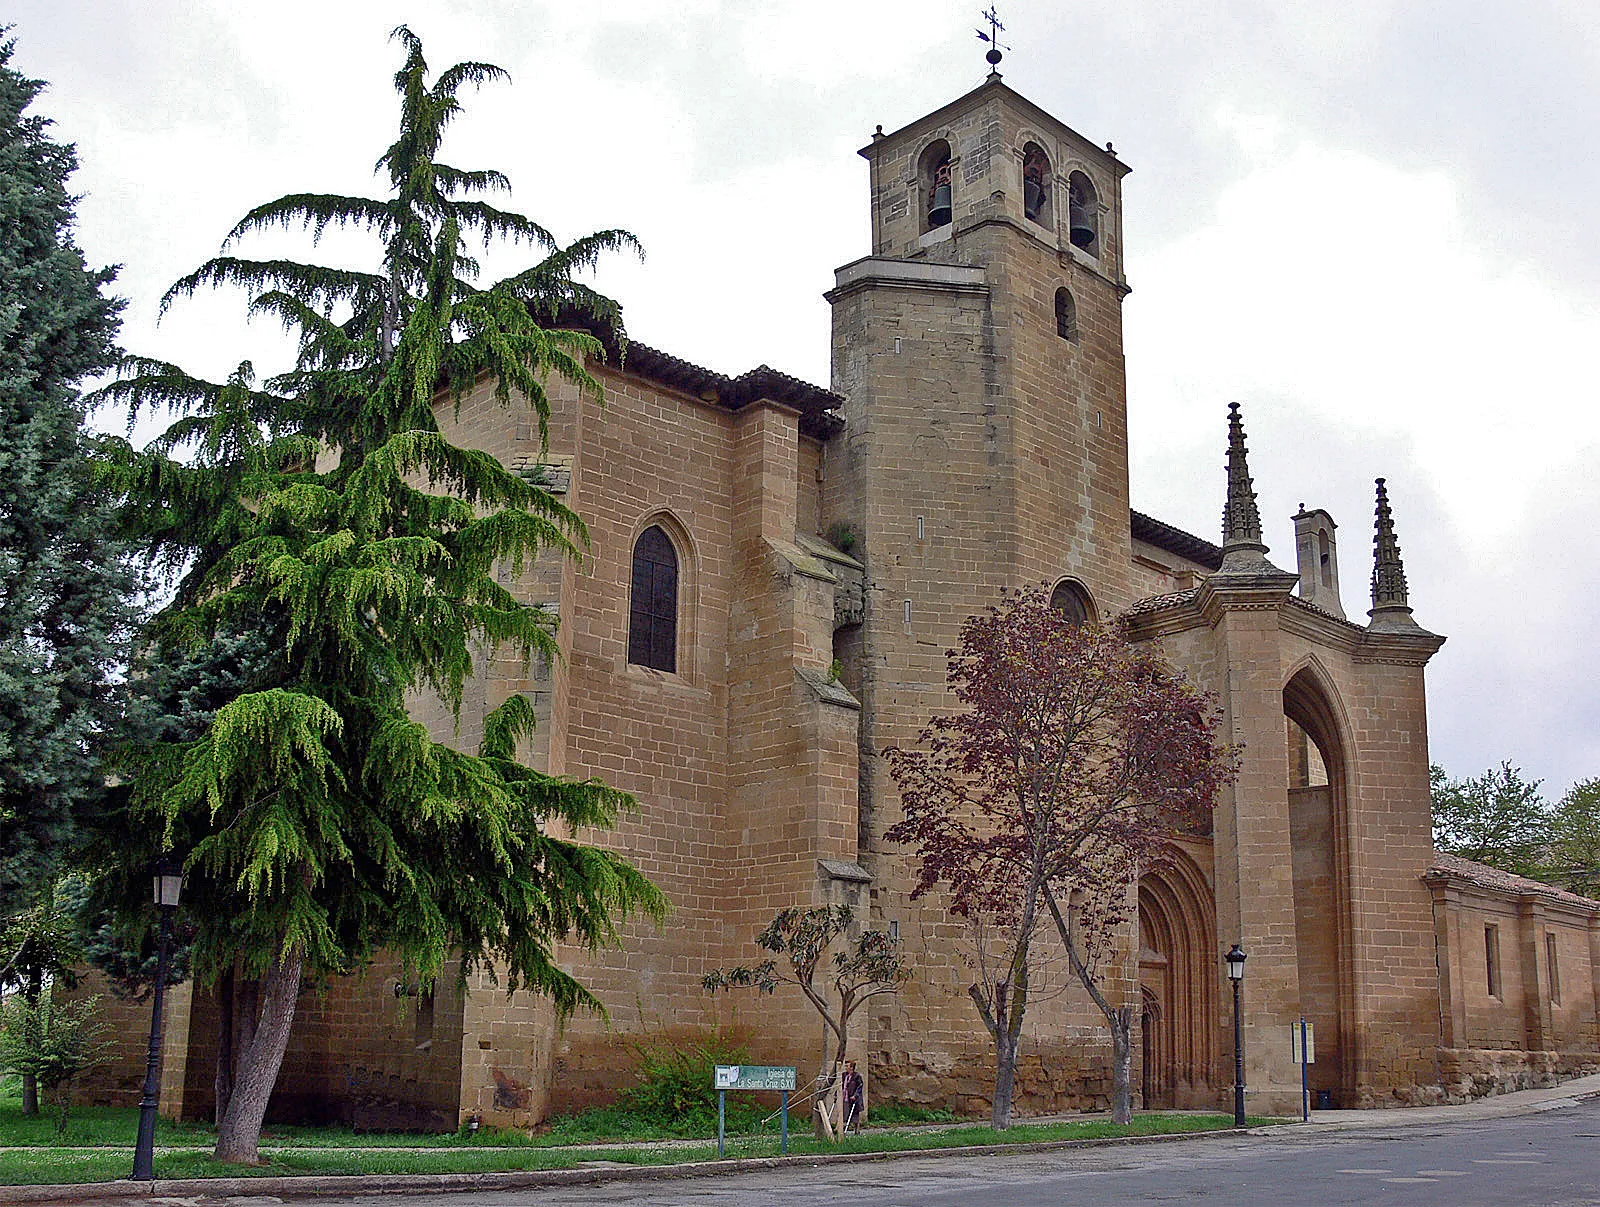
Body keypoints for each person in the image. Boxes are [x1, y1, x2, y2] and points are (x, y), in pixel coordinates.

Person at [841, 1059, 865, 1133]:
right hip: (846, 1096)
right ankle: (844, 1127)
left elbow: (860, 1086)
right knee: (845, 1112)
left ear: (851, 1067)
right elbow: (841, 1085)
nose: (846, 1067)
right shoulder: (844, 1075)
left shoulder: (857, 1076)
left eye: (847, 1066)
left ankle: (857, 1129)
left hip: (854, 1097)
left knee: (855, 1113)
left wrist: (855, 1095)